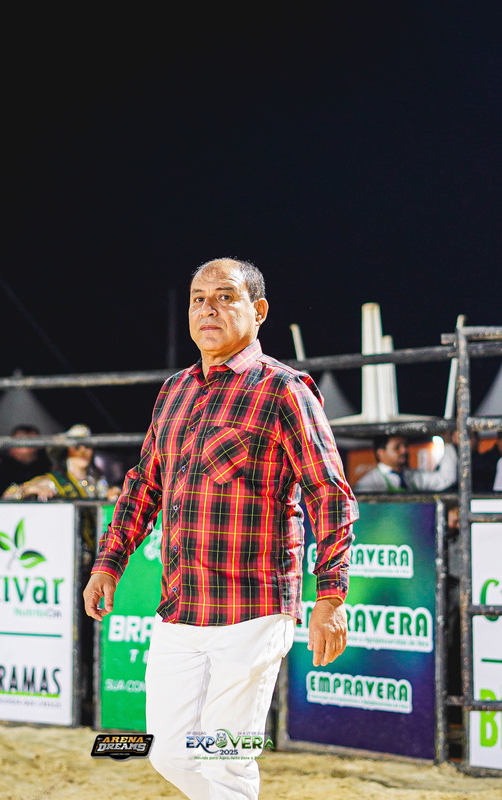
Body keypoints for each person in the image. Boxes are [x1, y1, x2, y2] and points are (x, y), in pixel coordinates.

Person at [82, 258, 357, 799]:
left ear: (259, 310)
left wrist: (331, 596)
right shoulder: (174, 391)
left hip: (253, 607)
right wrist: (109, 563)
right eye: (198, 299)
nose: (208, 308)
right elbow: (143, 484)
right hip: (181, 604)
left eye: (226, 296)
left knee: (225, 759)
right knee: (166, 751)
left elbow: (329, 493)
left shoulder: (284, 390)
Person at [353, 433, 457, 493]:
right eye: (397, 447)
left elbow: (445, 479)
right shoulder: (368, 483)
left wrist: (448, 443)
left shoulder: (414, 476)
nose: (404, 451)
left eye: (405, 446)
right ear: (381, 453)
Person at [0, 424, 52, 496]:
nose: (25, 445)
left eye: (30, 440)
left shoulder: (46, 466)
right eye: (20, 440)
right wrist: (26, 490)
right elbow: (1, 495)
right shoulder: (2, 469)